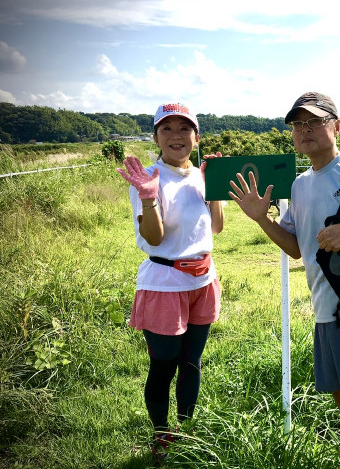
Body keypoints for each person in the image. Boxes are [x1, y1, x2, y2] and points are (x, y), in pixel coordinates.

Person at [229, 92, 340, 469]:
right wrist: (263, 220)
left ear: (337, 126)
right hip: (325, 311)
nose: (305, 129)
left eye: (314, 121)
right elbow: (297, 248)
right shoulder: (299, 185)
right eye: (298, 124)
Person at [116, 103, 225, 461]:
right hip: (164, 283)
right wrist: (149, 197)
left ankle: (187, 431)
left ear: (197, 136)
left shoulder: (202, 175)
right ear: (156, 137)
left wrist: (214, 188)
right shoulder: (148, 178)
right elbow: (155, 238)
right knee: (164, 363)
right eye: (167, 129)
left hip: (202, 280)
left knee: (192, 363)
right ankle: (161, 434)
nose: (176, 136)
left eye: (184, 128)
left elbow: (216, 228)